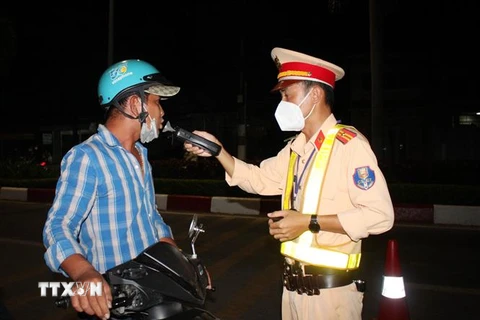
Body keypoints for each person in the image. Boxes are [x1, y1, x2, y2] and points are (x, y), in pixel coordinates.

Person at [184, 47, 395, 320]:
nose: (282, 103)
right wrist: (218, 151)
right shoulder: (297, 148)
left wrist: (309, 221)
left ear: (315, 94)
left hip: (331, 298)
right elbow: (258, 179)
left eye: (287, 94)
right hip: (293, 292)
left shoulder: (349, 145)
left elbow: (380, 216)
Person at [43, 59, 181, 320]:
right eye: (156, 102)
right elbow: (58, 226)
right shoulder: (87, 157)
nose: (162, 112)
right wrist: (85, 274)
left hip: (152, 295)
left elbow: (152, 219)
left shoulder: (140, 155)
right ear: (134, 104)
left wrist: (182, 266)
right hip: (114, 302)